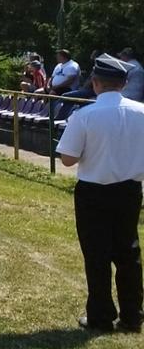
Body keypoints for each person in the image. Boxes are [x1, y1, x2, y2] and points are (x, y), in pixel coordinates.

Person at [54, 54, 144, 334]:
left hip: (93, 192)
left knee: (97, 254)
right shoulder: (141, 112)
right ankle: (132, 315)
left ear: (95, 83)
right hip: (129, 189)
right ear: (124, 83)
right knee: (128, 253)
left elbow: (67, 159)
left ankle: (101, 316)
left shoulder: (84, 115)